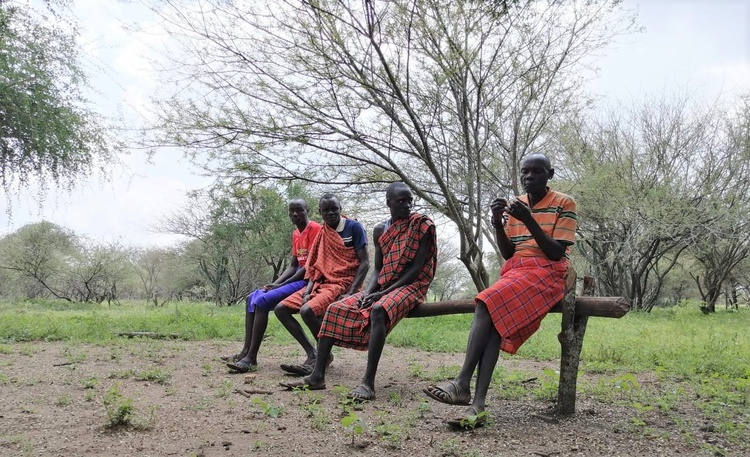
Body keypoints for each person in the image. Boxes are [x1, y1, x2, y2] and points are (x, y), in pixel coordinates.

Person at [423, 153, 577, 429]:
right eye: (524, 172)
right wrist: (497, 221)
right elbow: (508, 253)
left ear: (550, 174)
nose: (529, 177)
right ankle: (477, 405)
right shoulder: (516, 206)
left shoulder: (564, 203)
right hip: (517, 270)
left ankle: (461, 381)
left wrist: (529, 220)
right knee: (494, 320)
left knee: (486, 301)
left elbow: (556, 254)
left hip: (548, 273)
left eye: (536, 172)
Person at [280, 182, 437, 401]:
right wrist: (368, 292)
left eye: (410, 201)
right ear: (388, 203)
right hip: (384, 285)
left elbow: (416, 269)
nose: (407, 205)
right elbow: (378, 270)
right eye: (401, 201)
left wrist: (381, 294)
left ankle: (368, 384)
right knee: (335, 308)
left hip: (412, 285)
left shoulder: (421, 226)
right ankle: (317, 376)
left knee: (379, 310)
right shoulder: (380, 230)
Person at [274, 193, 369, 375]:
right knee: (281, 309)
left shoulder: (354, 227)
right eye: (326, 210)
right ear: (320, 212)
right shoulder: (323, 232)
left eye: (334, 208)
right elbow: (314, 266)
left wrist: (351, 292)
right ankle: (313, 353)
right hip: (320, 282)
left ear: (340, 208)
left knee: (307, 310)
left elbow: (364, 263)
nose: (331, 213)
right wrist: (307, 291)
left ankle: (322, 358)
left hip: (342, 283)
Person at [224, 198, 322, 373]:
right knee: (251, 298)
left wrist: (282, 284)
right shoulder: (295, 233)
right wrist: (275, 283)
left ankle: (251, 358)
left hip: (308, 280)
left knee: (263, 302)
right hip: (296, 278)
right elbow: (293, 265)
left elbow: (309, 265)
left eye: (299, 210)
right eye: (291, 211)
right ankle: (245, 352)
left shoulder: (315, 229)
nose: (295, 214)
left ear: (308, 211)